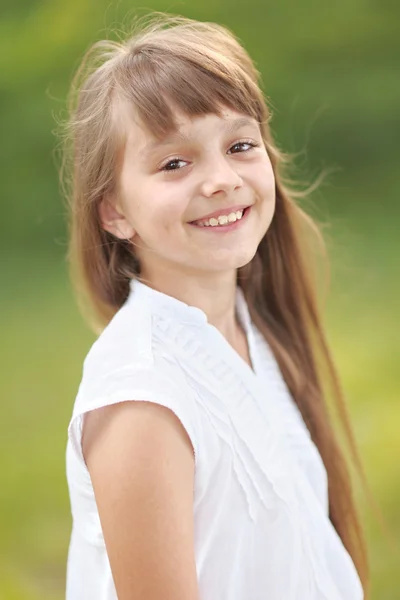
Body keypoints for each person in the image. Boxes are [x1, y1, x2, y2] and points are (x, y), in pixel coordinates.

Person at [61, 12, 369, 600]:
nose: (221, 179)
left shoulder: (250, 328)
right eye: (175, 163)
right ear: (115, 212)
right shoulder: (143, 397)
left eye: (239, 145)